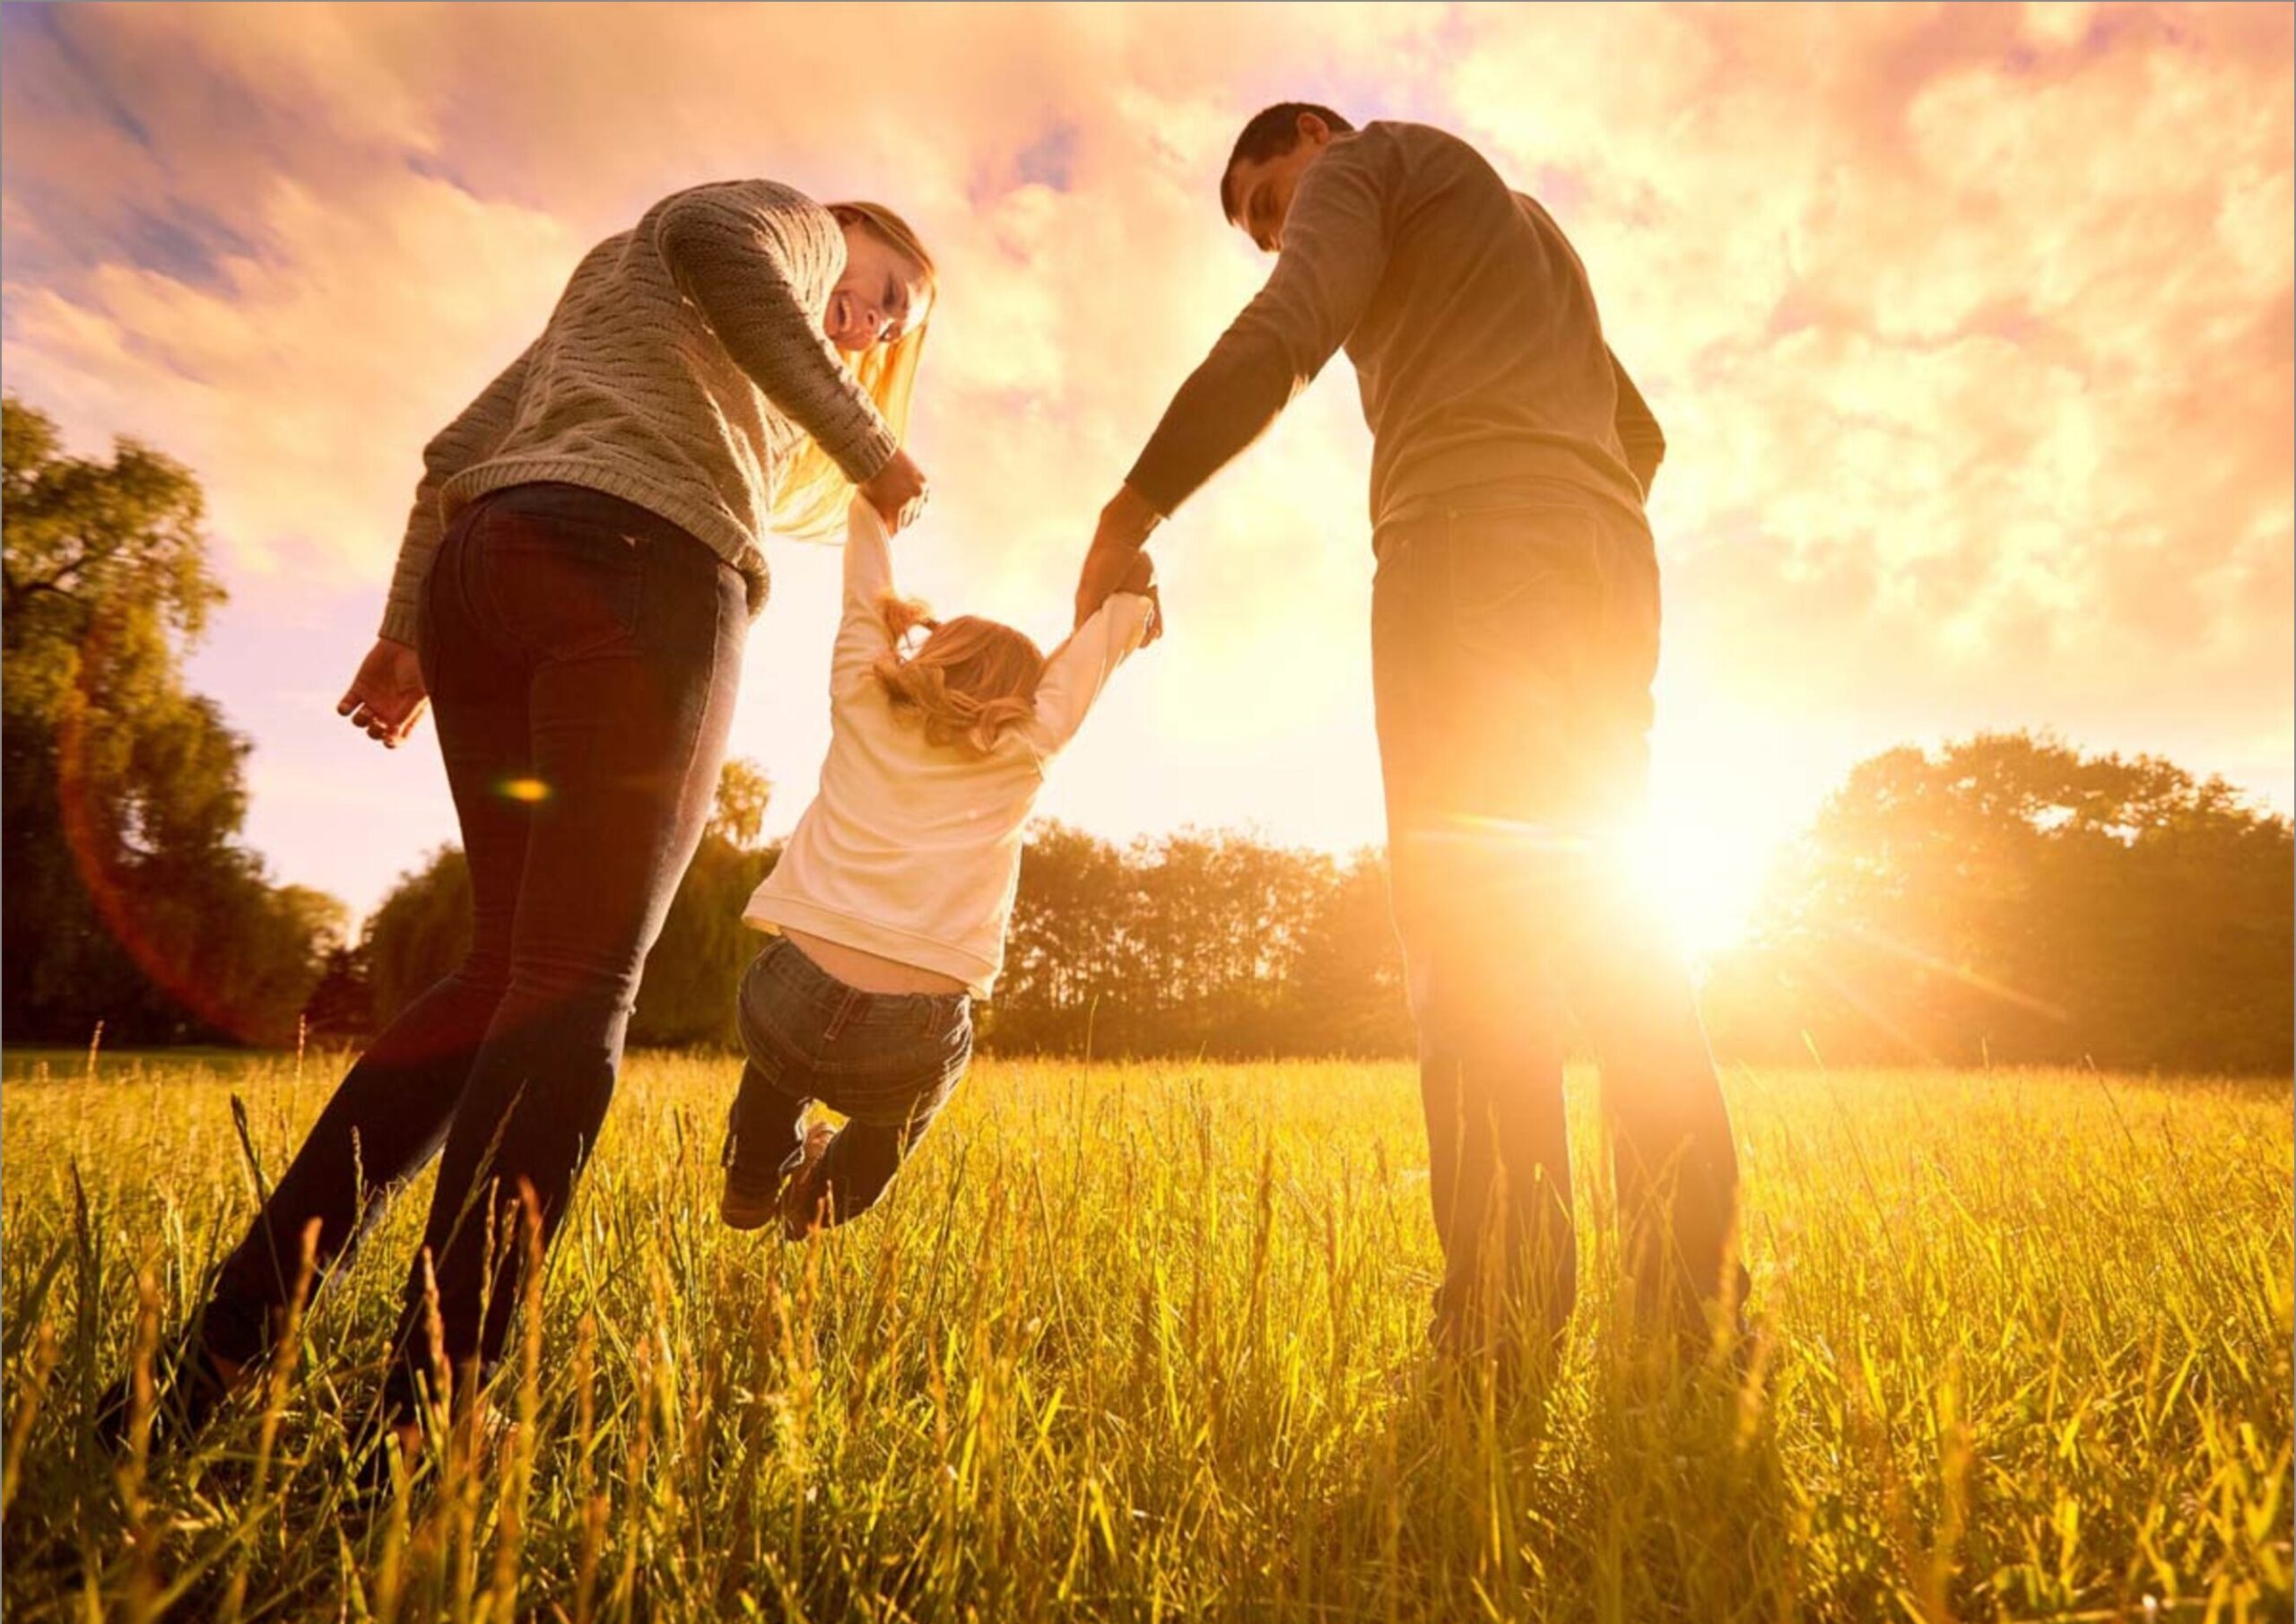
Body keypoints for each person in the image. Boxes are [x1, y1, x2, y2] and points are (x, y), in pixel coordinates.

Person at [99, 181, 938, 1463]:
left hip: (486, 573)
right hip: (643, 566)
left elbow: (451, 452)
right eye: (883, 290)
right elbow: (720, 240)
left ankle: (212, 1357)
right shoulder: (780, 220)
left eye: (890, 328)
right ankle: (424, 1423)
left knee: (500, 972)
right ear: (843, 230)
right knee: (577, 987)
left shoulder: (620, 299)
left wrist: (402, 633)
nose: (870, 326)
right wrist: (866, 441)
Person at [1073, 105, 1747, 1366]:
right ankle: (1693, 1315)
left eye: (1276, 204)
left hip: (1468, 549)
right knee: (1621, 931)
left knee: (1475, 933)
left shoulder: (1370, 163)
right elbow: (1638, 431)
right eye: (1265, 228)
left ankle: (1497, 1328)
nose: (1282, 237)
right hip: (1608, 560)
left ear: (1316, 137)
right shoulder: (1523, 224)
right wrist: (1559, 503)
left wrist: (1133, 506)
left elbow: (1288, 330)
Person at [720, 496, 1157, 1238]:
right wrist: (1132, 604)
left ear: (933, 653)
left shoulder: (863, 696)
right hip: (911, 1033)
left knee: (779, 1058)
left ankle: (754, 1178)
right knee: (898, 1119)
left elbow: (864, 594)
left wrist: (873, 508)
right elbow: (1089, 663)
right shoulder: (1027, 745)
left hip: (790, 994)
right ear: (1024, 697)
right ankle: (822, 1204)